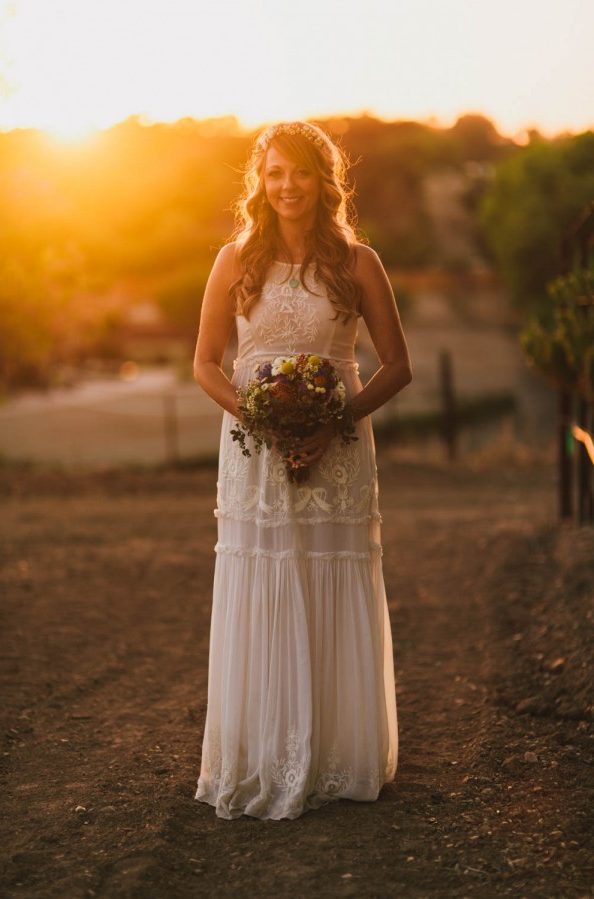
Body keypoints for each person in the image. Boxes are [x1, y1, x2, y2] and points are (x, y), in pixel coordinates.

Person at [193, 121, 412, 820]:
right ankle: (261, 754)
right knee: (262, 575)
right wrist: (253, 415)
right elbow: (203, 364)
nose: (287, 186)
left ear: (325, 181)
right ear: (261, 180)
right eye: (275, 172)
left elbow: (397, 365)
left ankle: (338, 756)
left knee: (327, 575)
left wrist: (332, 420)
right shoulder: (234, 259)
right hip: (252, 454)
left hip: (338, 450)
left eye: (302, 173)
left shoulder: (359, 261)